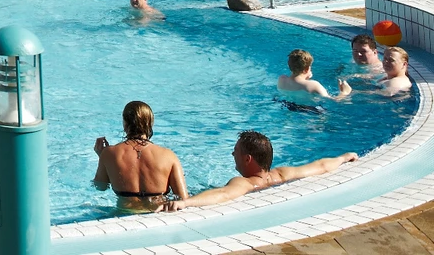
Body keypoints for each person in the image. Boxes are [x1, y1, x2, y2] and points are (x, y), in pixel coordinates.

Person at [159, 131, 357, 212]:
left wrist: (186, 202)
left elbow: (224, 194)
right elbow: (320, 166)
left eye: (235, 151)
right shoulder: (281, 174)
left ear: (247, 159)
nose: (232, 154)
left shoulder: (244, 183)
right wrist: (343, 158)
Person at [93, 101, 189, 212]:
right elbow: (183, 199)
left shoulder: (109, 154)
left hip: (123, 214)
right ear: (150, 124)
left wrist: (103, 158)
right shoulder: (168, 156)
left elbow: (101, 187)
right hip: (157, 214)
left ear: (125, 123)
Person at [277, 49, 351, 100]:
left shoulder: (282, 79)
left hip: (286, 105)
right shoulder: (314, 85)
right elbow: (333, 100)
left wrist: (305, 78)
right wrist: (344, 93)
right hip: (307, 111)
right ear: (307, 69)